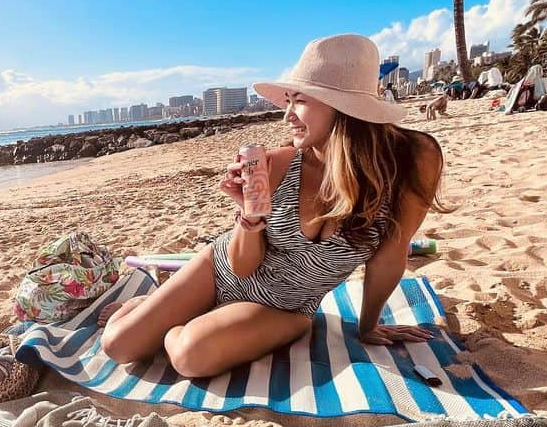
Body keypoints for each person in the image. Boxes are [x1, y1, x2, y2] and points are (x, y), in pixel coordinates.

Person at [97, 34, 448, 378]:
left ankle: (181, 319)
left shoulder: (413, 159)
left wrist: (368, 325)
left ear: (343, 106)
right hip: (222, 270)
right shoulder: (279, 163)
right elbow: (241, 265)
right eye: (288, 100)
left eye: (300, 101)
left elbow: (392, 251)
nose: (287, 116)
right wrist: (248, 218)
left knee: (191, 356)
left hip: (284, 308)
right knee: (118, 346)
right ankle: (150, 308)